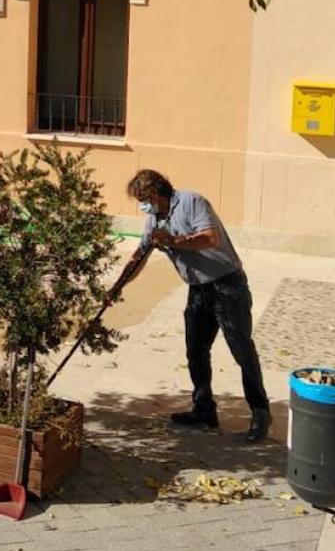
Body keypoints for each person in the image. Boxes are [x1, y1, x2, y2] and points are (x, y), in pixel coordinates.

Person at [111, 169, 271, 442]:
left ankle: (260, 411)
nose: (143, 206)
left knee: (241, 349)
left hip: (227, 286)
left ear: (157, 192)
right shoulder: (154, 220)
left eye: (144, 199)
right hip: (198, 289)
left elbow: (210, 237)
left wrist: (174, 242)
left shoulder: (191, 202)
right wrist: (117, 286)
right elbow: (139, 256)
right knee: (196, 350)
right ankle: (203, 409)